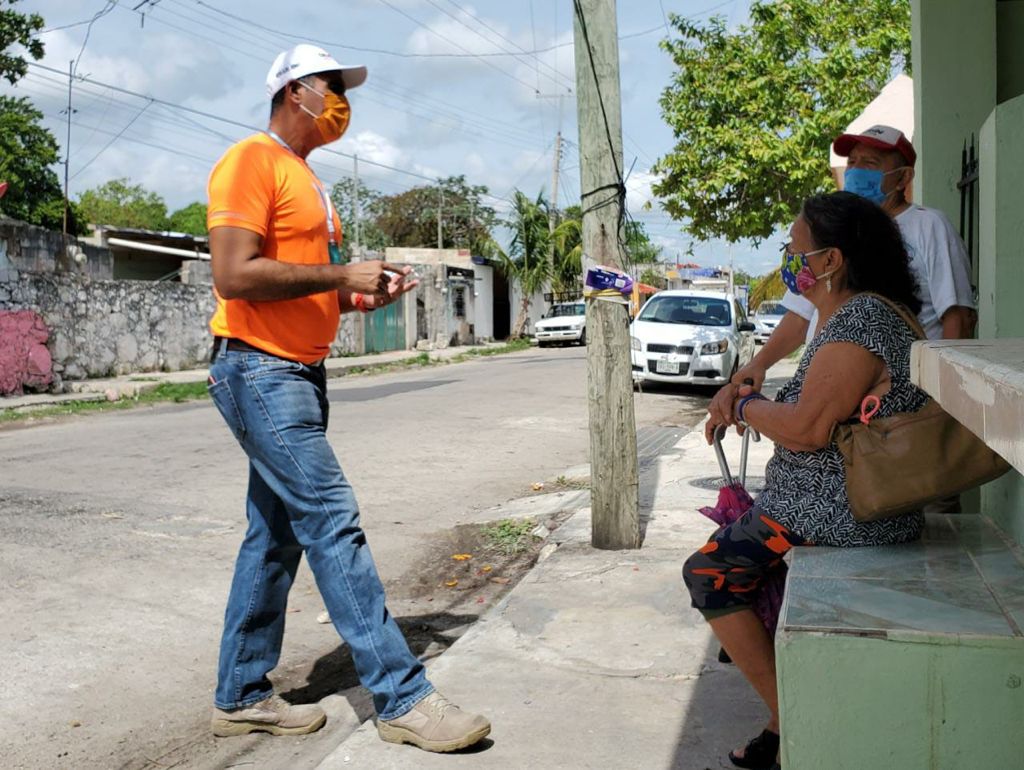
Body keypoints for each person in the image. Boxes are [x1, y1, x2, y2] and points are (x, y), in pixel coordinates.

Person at [204, 44, 490, 753]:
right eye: (333, 88)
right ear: (295, 91)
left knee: (274, 537)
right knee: (332, 518)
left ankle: (241, 694)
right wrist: (338, 274)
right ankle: (401, 697)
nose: (342, 102)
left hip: (297, 370)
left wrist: (359, 295)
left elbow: (307, 285)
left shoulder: (307, 179)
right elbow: (234, 275)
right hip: (258, 369)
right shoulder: (251, 161)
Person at [684, 192, 928, 770]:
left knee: (710, 575)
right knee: (741, 569)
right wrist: (758, 399)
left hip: (832, 508)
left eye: (795, 251)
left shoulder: (861, 320)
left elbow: (811, 428)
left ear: (830, 260)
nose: (789, 263)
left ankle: (793, 717)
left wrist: (745, 410)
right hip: (827, 499)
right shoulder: (848, 317)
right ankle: (784, 711)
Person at [712, 124, 975, 513]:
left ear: (902, 176)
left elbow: (957, 318)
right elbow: (799, 316)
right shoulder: (838, 234)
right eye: (851, 162)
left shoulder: (927, 226)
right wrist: (757, 367)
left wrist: (943, 409)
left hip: (900, 418)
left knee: (914, 510)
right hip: (841, 409)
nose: (856, 171)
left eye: (870, 163)